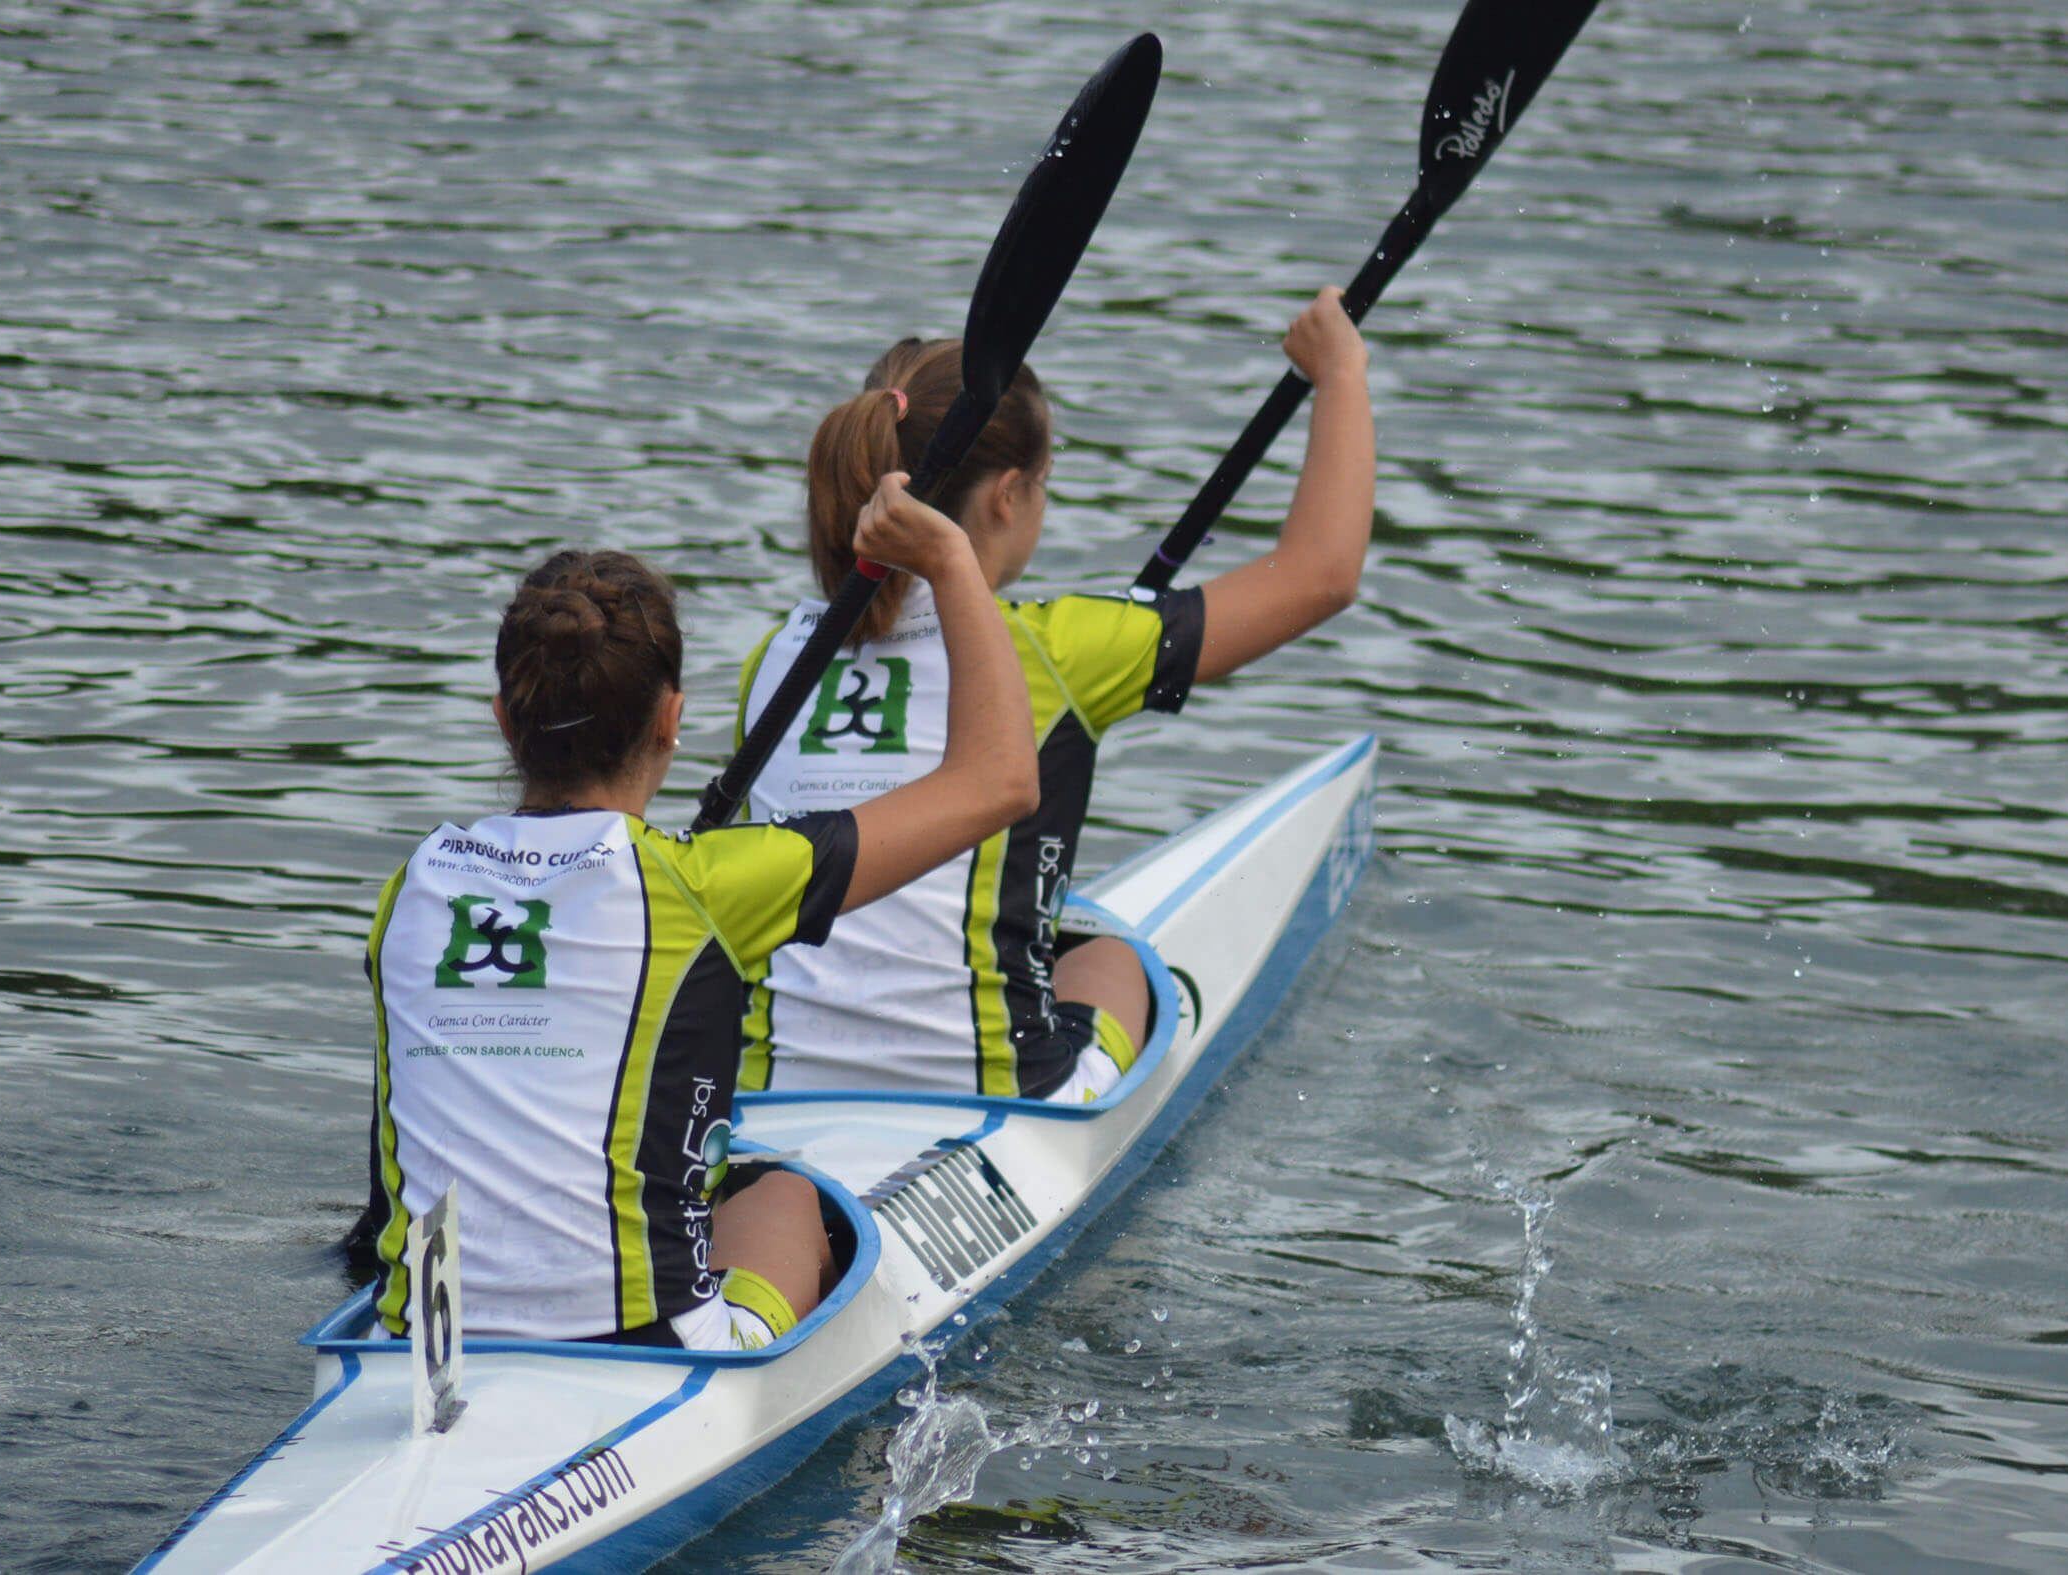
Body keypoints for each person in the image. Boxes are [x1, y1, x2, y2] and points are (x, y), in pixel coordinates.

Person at [354, 489, 1036, 1350]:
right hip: (642, 1354)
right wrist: (949, 562)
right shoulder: (708, 885)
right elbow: (1002, 780)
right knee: (786, 1196)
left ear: (503, 721)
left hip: (416, 1350)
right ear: (672, 722)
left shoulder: (411, 887)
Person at [731, 287, 1373, 1103]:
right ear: (1007, 495)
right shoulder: (1058, 649)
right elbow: (1322, 575)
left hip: (773, 1095)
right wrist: (1341, 373)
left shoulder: (772, 663)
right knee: (1112, 959)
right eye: (1044, 481)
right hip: (990, 1094)